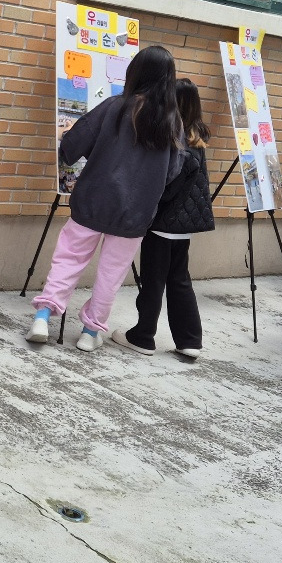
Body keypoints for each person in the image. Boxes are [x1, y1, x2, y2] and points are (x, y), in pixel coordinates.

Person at [28, 45, 184, 351]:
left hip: (93, 200)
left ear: (135, 72)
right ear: (169, 80)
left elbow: (73, 143)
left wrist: (76, 144)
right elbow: (173, 170)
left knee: (68, 259)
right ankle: (90, 332)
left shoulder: (115, 106)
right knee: (112, 274)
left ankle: (43, 316)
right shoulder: (172, 121)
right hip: (135, 213)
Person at [112, 78, 213, 359]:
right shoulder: (198, 137)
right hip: (183, 228)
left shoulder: (177, 143)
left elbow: (166, 188)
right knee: (180, 280)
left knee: (153, 281)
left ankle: (143, 336)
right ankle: (189, 340)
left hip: (163, 225)